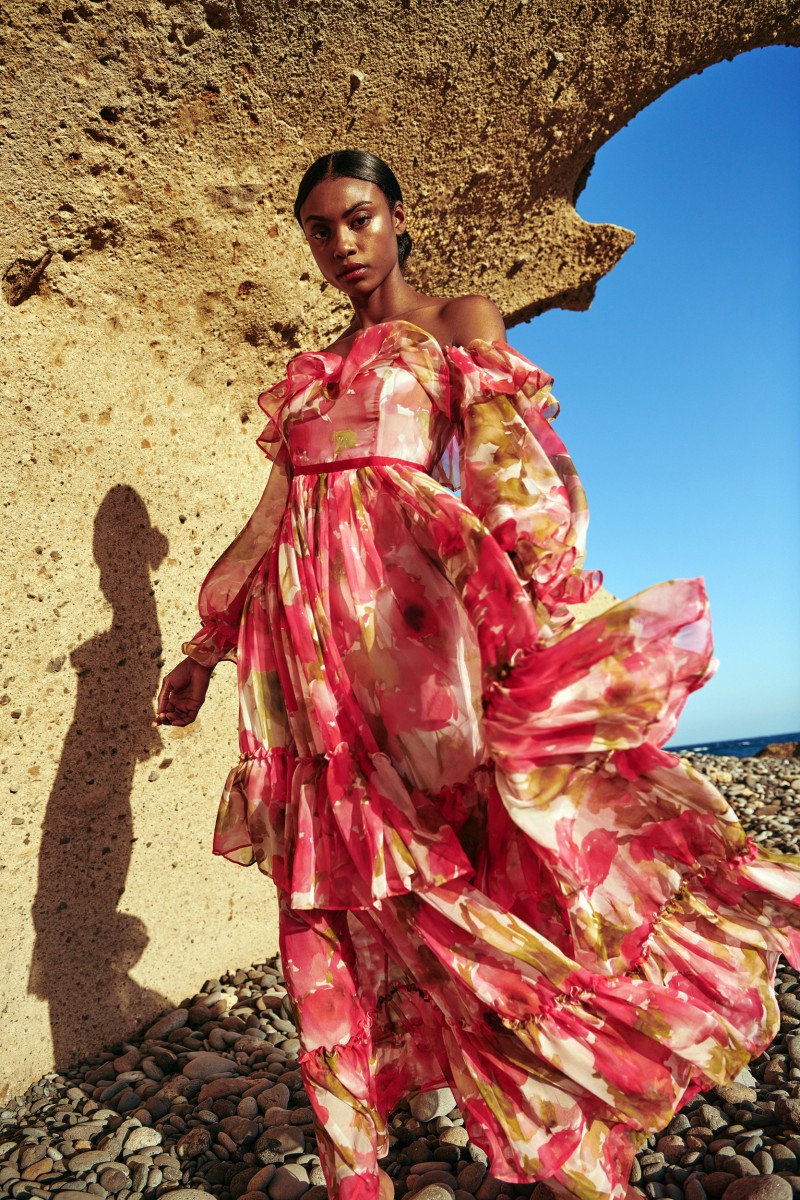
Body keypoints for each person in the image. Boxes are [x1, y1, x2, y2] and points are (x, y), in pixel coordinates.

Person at [155, 149, 800, 1200]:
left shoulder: (458, 322)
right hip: (304, 660)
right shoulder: (309, 375)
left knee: (458, 867)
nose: (340, 245)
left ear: (397, 217)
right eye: (318, 230)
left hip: (416, 650)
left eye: (357, 218)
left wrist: (540, 615)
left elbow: (511, 470)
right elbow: (273, 518)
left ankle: (583, 1087)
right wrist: (206, 644)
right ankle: (350, 1168)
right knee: (324, 891)